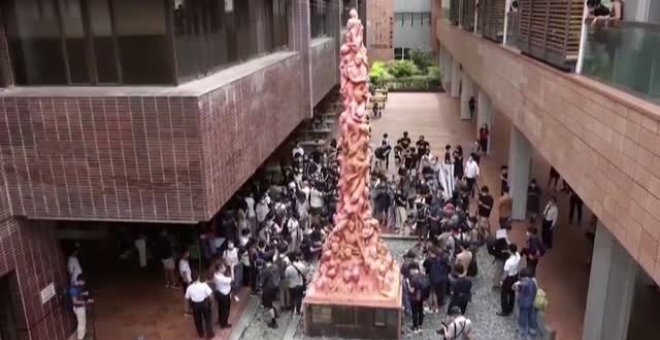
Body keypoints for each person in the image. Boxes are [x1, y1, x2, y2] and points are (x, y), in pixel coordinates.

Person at [185, 271, 215, 339]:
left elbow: (187, 298)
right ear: (198, 277)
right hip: (204, 303)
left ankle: (200, 333)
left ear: (192, 278)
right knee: (207, 319)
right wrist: (212, 303)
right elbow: (210, 295)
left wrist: (187, 309)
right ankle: (209, 334)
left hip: (195, 305)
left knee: (197, 320)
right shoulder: (203, 285)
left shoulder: (189, 288)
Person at [514, 269, 539, 338]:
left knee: (523, 317)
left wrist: (517, 288)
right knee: (532, 316)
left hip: (524, 304)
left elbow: (517, 291)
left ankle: (522, 332)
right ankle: (533, 330)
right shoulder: (533, 282)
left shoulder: (522, 284)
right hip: (532, 302)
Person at [497, 243, 521, 317]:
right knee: (512, 293)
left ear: (510, 250)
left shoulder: (508, 262)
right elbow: (514, 252)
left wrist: (501, 280)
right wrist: (507, 251)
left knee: (504, 294)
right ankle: (511, 307)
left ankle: (505, 310)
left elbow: (505, 273)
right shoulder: (518, 256)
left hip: (509, 278)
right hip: (515, 276)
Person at [70, 274, 93, 340]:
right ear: (80, 281)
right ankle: (80, 338)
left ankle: (84, 335)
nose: (84, 284)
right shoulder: (73, 289)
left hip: (81, 307)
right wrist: (86, 302)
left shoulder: (77, 286)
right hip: (78, 308)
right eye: (83, 282)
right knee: (81, 323)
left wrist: (84, 294)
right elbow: (75, 301)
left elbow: (79, 294)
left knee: (83, 322)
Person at [261, 254, 281, 328]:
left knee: (269, 305)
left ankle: (273, 321)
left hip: (268, 289)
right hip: (276, 287)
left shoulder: (266, 271)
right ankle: (277, 313)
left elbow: (262, 281)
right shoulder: (276, 267)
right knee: (274, 301)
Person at [407, 262, 427, 333]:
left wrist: (408, 284)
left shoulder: (413, 279)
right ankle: (420, 324)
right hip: (421, 296)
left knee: (414, 312)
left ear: (412, 269)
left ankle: (415, 326)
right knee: (420, 310)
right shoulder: (422, 275)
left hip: (414, 297)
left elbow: (411, 290)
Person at [213, 262, 233, 329]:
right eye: (223, 267)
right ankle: (224, 323)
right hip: (225, 294)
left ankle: (220, 320)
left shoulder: (216, 274)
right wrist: (232, 269)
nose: (225, 268)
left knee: (221, 308)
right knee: (226, 309)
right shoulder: (220, 278)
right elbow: (232, 279)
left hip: (219, 293)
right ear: (220, 269)